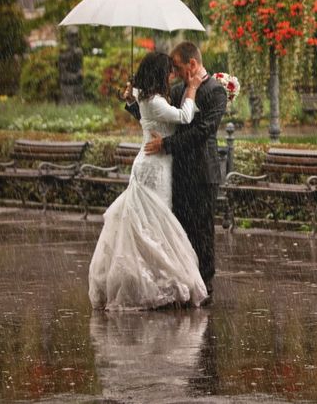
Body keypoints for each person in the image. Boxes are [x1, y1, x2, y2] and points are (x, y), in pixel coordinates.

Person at [89, 52, 208, 310]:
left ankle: (155, 278)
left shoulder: (147, 97)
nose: (172, 75)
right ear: (159, 74)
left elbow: (137, 101)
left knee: (153, 221)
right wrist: (193, 88)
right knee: (151, 222)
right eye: (169, 71)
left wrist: (130, 94)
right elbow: (185, 117)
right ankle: (152, 283)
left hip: (157, 165)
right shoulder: (154, 101)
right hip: (153, 168)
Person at [125, 42, 227, 297]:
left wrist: (166, 144)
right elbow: (158, 116)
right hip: (177, 171)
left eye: (178, 67)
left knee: (202, 231)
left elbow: (202, 131)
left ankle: (204, 283)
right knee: (178, 229)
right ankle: (182, 280)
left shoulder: (216, 91)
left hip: (202, 172)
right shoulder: (181, 89)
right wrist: (132, 103)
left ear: (192, 64)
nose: (175, 72)